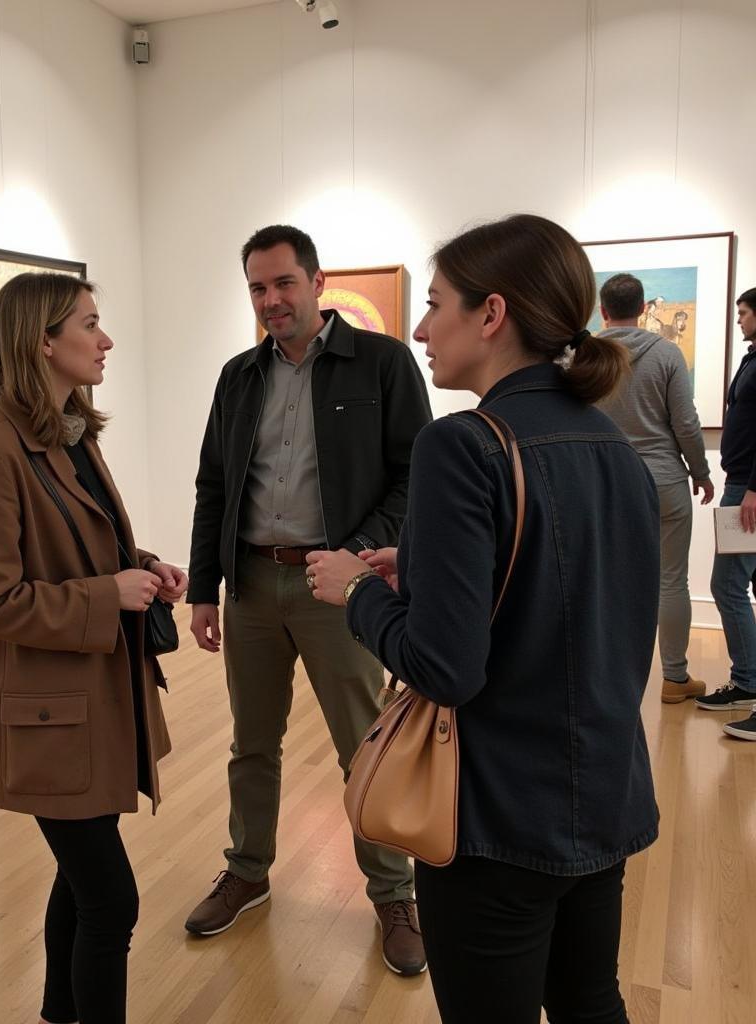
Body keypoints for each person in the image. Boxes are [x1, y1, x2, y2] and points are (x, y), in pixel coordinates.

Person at [307, 214, 660, 1023]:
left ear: (492, 314)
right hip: (605, 796)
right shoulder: (613, 446)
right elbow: (576, 607)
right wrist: (423, 570)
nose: (423, 328)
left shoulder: (461, 445)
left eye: (435, 305)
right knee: (588, 1001)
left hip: (498, 814)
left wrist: (360, 593)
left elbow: (445, 668)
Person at [185, 224, 433, 975]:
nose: (270, 300)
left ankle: (393, 893)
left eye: (284, 283)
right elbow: (214, 486)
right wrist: (203, 589)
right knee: (250, 744)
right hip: (253, 584)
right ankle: (248, 870)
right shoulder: (239, 376)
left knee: (364, 745)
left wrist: (355, 553)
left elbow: (412, 474)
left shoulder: (382, 364)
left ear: (318, 283)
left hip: (342, 586)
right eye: (258, 288)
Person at [0, 272, 186, 1024]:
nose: (106, 338)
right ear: (42, 341)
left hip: (90, 704)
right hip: (49, 715)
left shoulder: (69, 432)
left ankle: (59, 1012)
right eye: (90, 323)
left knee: (81, 882)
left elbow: (84, 545)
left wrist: (141, 566)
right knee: (111, 902)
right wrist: (105, 595)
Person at [596, 272, 713, 703]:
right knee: (671, 580)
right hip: (663, 479)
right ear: (645, 309)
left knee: (604, 578)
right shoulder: (666, 353)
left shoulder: (584, 356)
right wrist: (700, 471)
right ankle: (675, 678)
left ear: (603, 311)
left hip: (605, 480)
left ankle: (606, 674)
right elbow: (685, 422)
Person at [701, 287, 756, 740]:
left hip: (749, 492)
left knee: (727, 584)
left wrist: (753, 490)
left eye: (743, 312)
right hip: (741, 485)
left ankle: (748, 682)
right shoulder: (752, 356)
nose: (739, 319)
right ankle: (748, 682)